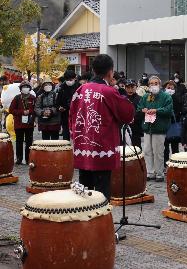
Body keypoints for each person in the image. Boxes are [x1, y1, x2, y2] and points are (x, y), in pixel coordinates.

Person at [69, 54, 134, 199]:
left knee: (84, 191)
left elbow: (71, 116)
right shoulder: (109, 91)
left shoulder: (80, 90)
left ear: (93, 70)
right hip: (102, 148)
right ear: (110, 71)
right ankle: (100, 220)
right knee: (101, 193)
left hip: (82, 146)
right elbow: (127, 115)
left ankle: (84, 220)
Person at [137, 76, 173, 182]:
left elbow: (168, 109)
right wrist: (143, 110)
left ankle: (159, 173)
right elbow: (139, 107)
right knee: (147, 150)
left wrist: (157, 110)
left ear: (160, 85)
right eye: (151, 83)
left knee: (158, 151)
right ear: (148, 85)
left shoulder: (166, 97)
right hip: (148, 127)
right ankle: (150, 172)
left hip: (159, 128)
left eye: (156, 83)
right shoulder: (145, 96)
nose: (153, 85)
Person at [9, 81, 36, 165]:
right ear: (20, 89)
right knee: (19, 142)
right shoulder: (17, 98)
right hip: (19, 123)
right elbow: (11, 110)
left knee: (29, 142)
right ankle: (19, 159)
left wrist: (30, 112)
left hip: (29, 123)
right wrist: (22, 112)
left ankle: (28, 159)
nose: (25, 88)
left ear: (30, 88)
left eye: (27, 87)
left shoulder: (33, 98)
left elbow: (36, 109)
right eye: (23, 87)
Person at [56, 70, 80, 140]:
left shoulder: (79, 87)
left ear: (74, 78)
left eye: (71, 79)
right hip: (65, 115)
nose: (69, 81)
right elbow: (57, 102)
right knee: (66, 134)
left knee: (77, 135)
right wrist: (59, 108)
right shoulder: (62, 88)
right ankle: (66, 149)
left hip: (77, 115)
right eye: (67, 79)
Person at [163, 80, 181, 163]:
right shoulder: (162, 97)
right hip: (164, 125)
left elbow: (179, 111)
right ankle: (165, 163)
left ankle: (175, 162)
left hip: (173, 124)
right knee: (165, 147)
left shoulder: (177, 97)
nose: (170, 89)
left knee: (175, 147)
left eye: (171, 87)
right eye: (168, 87)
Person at [125, 80, 144, 148]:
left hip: (136, 128)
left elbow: (141, 112)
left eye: (132, 87)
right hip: (125, 127)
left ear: (136, 87)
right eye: (128, 87)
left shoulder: (140, 99)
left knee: (137, 148)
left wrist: (133, 118)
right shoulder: (122, 98)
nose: (130, 89)